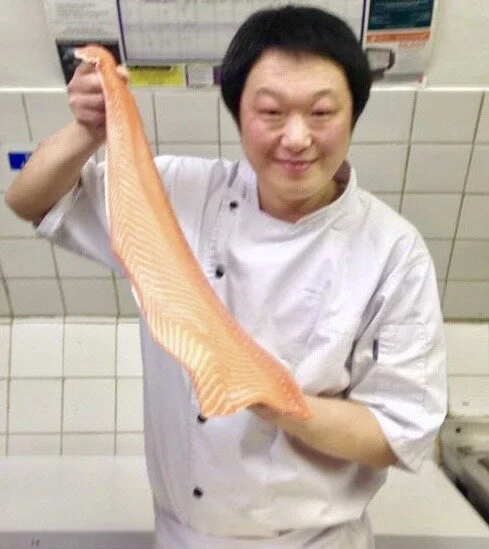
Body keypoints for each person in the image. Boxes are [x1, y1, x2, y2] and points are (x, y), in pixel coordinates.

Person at [5, 6, 447, 549]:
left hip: (313, 540)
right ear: (238, 114)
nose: (297, 138)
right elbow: (29, 201)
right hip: (181, 536)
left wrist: (267, 395)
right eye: (271, 112)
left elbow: (398, 432)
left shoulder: (393, 251)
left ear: (353, 115)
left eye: (321, 112)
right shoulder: (176, 193)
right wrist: (88, 131)